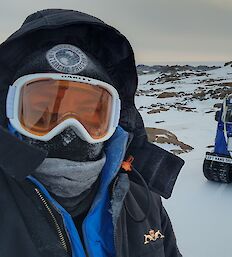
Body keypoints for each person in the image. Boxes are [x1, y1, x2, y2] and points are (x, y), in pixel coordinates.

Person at [0, 9, 184, 257]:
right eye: (46, 112)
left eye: (88, 112)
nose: (68, 130)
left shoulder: (142, 197)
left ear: (115, 118)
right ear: (11, 108)